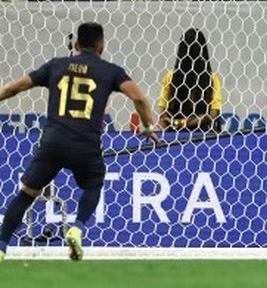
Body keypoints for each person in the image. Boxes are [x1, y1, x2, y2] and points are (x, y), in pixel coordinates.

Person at [0, 23, 159, 261]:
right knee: (93, 184)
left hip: (53, 142)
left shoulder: (56, 65)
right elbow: (139, 98)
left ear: (76, 45)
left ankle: (1, 246)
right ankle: (77, 228)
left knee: (26, 194)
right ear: (101, 47)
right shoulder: (110, 71)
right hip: (86, 144)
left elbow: (15, 88)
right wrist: (147, 126)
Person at [157, 28, 223, 131]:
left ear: (181, 50)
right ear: (204, 50)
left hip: (174, 135)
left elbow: (163, 113)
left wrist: (179, 123)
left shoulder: (171, 76)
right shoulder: (212, 78)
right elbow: (212, 114)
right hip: (201, 137)